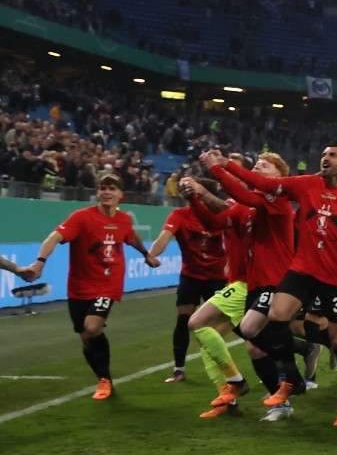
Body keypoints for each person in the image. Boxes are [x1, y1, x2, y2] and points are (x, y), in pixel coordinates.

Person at [202, 143, 337, 427]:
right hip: (302, 269)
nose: (325, 158)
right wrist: (222, 165)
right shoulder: (306, 184)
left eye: (333, 155)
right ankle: (289, 378)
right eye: (323, 154)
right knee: (277, 317)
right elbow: (260, 183)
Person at [22, 174, 160, 399]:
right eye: (103, 188)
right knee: (86, 336)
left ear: (120, 195)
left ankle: (104, 380)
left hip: (108, 283)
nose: (107, 192)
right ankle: (104, 379)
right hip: (78, 286)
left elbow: (131, 237)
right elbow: (54, 237)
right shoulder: (81, 218)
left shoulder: (124, 219)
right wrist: (40, 261)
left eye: (112, 189)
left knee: (93, 327)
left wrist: (146, 254)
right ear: (98, 192)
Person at [178, 155, 295, 417]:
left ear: (280, 174)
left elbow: (242, 194)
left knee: (217, 329)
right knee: (222, 337)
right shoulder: (247, 207)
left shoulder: (277, 199)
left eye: (264, 165)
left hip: (274, 283)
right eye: (255, 165)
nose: (256, 168)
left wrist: (216, 170)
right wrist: (194, 199)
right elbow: (215, 223)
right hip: (252, 284)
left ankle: (250, 387)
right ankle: (231, 392)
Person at [149, 183, 238, 393]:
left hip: (218, 277)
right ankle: (179, 369)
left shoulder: (223, 214)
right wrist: (152, 254)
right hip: (191, 276)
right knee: (183, 320)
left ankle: (234, 365)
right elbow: (164, 237)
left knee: (229, 325)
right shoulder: (180, 215)